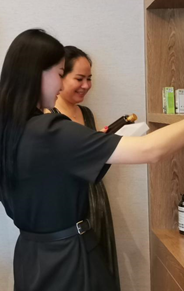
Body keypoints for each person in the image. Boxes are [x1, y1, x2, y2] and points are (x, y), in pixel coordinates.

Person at [0, 29, 184, 291]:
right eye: (60, 74)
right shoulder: (50, 131)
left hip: (30, 257)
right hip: (67, 261)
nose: (61, 85)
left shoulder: (6, 130)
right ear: (37, 73)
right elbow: (152, 150)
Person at [52, 46, 121, 291]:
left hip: (96, 201)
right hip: (68, 207)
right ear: (60, 76)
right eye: (79, 78)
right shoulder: (49, 116)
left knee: (100, 274)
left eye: (89, 78)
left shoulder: (87, 114)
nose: (86, 85)